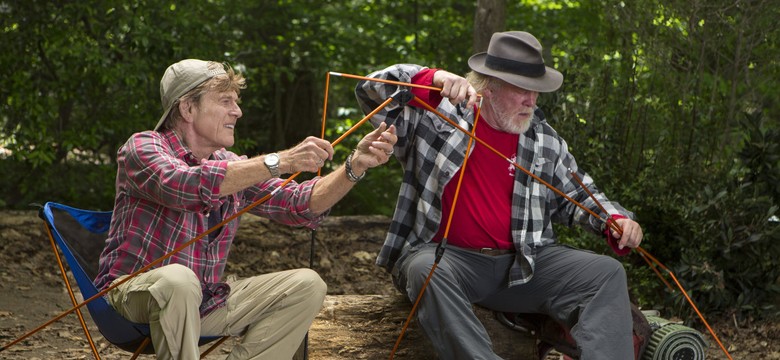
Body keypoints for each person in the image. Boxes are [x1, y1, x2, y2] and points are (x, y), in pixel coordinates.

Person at [354, 31, 644, 359]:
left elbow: (577, 192)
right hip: (449, 260)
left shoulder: (545, 140)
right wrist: (432, 77)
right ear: (488, 87)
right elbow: (369, 90)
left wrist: (614, 220)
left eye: (535, 91)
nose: (531, 101)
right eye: (522, 90)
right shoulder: (435, 116)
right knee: (425, 269)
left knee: (605, 273)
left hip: (524, 265)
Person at [94, 59, 397, 359]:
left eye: (236, 102)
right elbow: (183, 185)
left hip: (204, 303)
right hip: (132, 299)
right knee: (179, 280)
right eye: (225, 101)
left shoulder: (230, 163)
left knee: (306, 285)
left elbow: (300, 204)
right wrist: (282, 160)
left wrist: (354, 166)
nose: (237, 111)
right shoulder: (143, 147)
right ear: (187, 108)